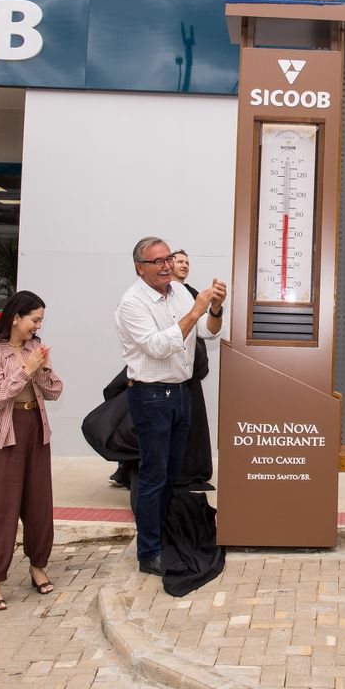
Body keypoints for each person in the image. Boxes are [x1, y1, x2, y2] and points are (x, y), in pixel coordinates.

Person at [115, 237, 226, 576]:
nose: (166, 266)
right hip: (151, 397)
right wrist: (196, 310)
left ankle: (165, 536)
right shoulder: (132, 303)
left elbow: (207, 332)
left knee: (173, 474)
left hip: (181, 392)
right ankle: (148, 552)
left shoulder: (178, 292)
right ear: (140, 268)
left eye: (168, 259)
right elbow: (159, 346)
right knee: (153, 476)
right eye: (158, 261)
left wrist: (215, 309)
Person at [0, 290, 63, 609]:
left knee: (39, 505)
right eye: (34, 320)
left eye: (40, 321)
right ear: (15, 318)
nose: (37, 326)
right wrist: (26, 369)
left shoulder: (33, 348)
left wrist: (39, 368)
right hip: (3, 433)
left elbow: (55, 391)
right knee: (3, 508)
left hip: (35, 428)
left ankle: (38, 566)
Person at [169, 249, 215, 492]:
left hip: (188, 369)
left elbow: (206, 329)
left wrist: (215, 308)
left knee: (191, 423)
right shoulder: (159, 293)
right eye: (179, 261)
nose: (184, 265)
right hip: (163, 368)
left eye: (187, 262)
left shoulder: (193, 294)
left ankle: (190, 471)